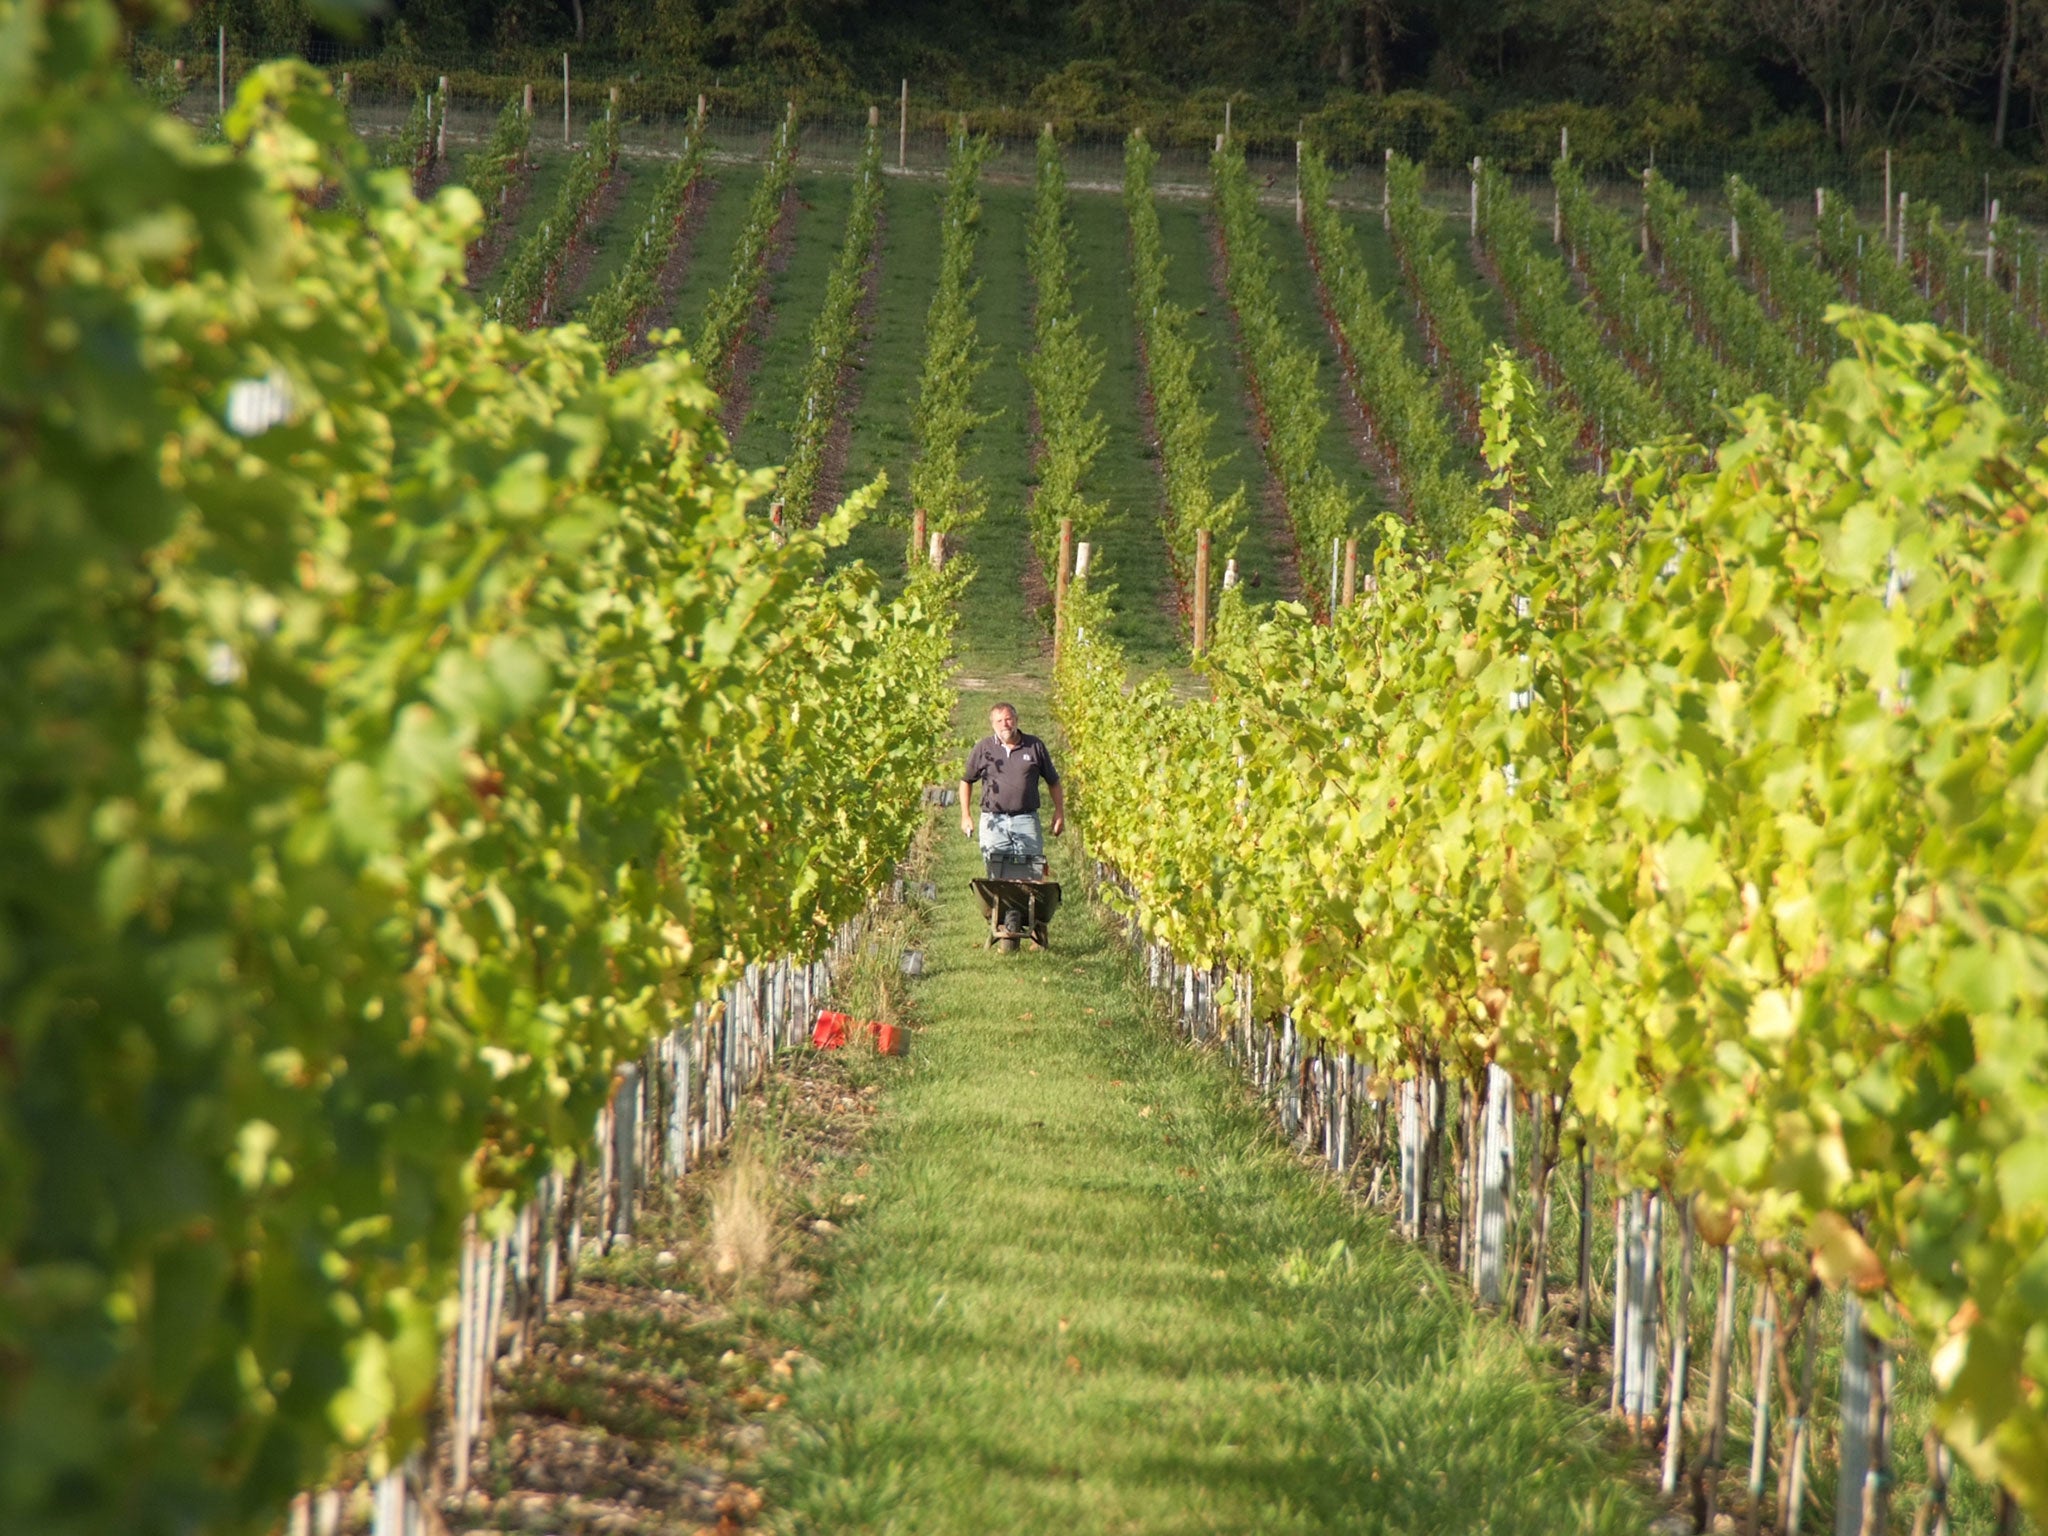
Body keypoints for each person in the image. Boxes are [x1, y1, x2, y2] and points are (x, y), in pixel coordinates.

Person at [958, 702, 1065, 879]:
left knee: (1032, 873)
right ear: (992, 724)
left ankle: (1028, 906)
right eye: (999, 721)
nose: (1004, 725)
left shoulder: (1034, 746)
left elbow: (1053, 781)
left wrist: (1059, 811)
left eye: (1008, 719)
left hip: (1026, 819)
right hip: (994, 822)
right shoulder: (984, 748)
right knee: (997, 874)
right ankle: (999, 907)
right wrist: (965, 815)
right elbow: (966, 781)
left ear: (1016, 720)